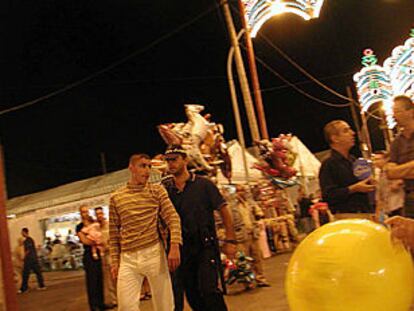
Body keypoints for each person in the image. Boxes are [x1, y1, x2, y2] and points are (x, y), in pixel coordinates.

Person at [162, 144, 236, 311]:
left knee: (209, 290)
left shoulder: (203, 184)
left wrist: (231, 239)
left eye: (174, 160)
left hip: (205, 246)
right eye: (168, 161)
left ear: (185, 160)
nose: (171, 164)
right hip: (181, 249)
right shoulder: (166, 190)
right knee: (192, 294)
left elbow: (224, 209)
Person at [109, 153, 182, 311]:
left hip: (154, 252)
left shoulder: (157, 191)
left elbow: (173, 218)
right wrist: (115, 261)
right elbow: (113, 232)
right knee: (126, 306)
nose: (147, 170)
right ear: (131, 167)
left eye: (149, 166)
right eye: (143, 166)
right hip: (127, 258)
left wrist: (174, 246)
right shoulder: (116, 197)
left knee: (165, 304)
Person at [319, 120, 375, 218]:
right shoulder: (329, 164)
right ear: (335, 138)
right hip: (346, 217)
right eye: (346, 131)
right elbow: (328, 195)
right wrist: (353, 189)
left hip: (365, 212)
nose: (352, 133)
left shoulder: (354, 160)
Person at [234, 185, 270, 288]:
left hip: (252, 234)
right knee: (243, 260)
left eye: (243, 191)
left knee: (257, 257)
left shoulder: (250, 204)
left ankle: (260, 279)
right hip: (241, 236)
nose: (241, 193)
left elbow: (259, 214)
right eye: (239, 191)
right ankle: (247, 282)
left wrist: (257, 224)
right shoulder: (233, 206)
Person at [385, 95, 414, 218]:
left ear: (411, 112)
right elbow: (390, 173)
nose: (394, 116)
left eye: (397, 111)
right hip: (409, 198)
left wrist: (400, 171)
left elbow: (395, 170)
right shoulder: (396, 142)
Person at [76, 205, 105, 311]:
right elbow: (84, 240)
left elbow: (100, 231)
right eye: (83, 212)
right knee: (91, 281)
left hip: (98, 251)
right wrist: (95, 241)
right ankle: (93, 305)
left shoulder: (93, 223)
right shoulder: (79, 227)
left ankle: (101, 303)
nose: (86, 213)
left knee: (99, 279)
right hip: (88, 254)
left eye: (87, 211)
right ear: (80, 213)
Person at [95, 207, 117, 309]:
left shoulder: (109, 224)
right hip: (103, 255)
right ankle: (114, 299)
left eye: (100, 213)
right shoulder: (95, 228)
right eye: (97, 214)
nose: (99, 215)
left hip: (112, 253)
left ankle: (121, 296)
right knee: (108, 279)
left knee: (116, 276)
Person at [373, 151, 404, 219]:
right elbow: (380, 196)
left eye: (378, 159)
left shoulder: (392, 168)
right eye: (374, 160)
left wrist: (397, 183)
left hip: (397, 205)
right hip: (387, 208)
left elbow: (402, 179)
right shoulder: (379, 174)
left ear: (385, 159)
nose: (375, 162)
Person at [18, 228, 46, 293]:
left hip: (29, 259)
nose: (21, 234)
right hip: (34, 258)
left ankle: (24, 289)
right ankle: (42, 285)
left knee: (25, 274)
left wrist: (24, 256)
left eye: (22, 232)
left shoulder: (27, 241)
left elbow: (28, 250)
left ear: (25, 232)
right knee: (38, 272)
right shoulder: (31, 240)